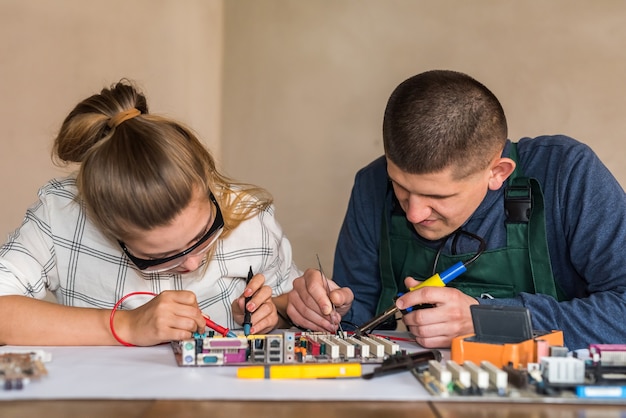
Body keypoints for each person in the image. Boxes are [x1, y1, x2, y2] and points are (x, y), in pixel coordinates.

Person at [286, 69, 626, 350]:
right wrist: (330, 311)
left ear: (498, 173)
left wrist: (490, 318)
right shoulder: (371, 184)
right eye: (401, 189)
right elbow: (361, 322)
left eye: (439, 197)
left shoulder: (566, 173)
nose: (415, 213)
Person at [0, 80, 299, 346]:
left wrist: (277, 311)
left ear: (206, 183)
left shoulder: (250, 218)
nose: (193, 262)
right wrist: (126, 326)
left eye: (205, 233)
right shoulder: (62, 215)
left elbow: (287, 304)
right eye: (160, 258)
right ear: (108, 228)